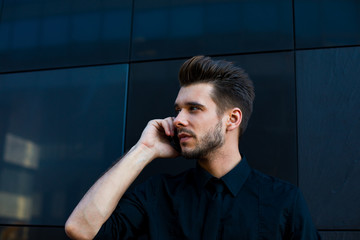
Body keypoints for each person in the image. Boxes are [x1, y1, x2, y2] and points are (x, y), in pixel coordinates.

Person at [65, 56, 321, 240]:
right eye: (177, 110)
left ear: (232, 119)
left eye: (194, 108)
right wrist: (143, 149)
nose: (178, 120)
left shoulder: (283, 201)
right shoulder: (157, 194)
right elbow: (81, 229)